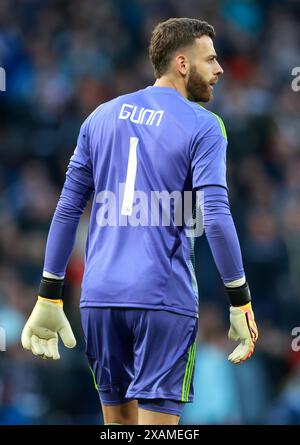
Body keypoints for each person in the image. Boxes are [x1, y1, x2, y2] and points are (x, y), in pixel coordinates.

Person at [21, 18, 258, 425]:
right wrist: (240, 300)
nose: (220, 70)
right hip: (163, 301)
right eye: (212, 60)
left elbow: (66, 209)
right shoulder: (204, 126)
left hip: (99, 301)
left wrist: (49, 293)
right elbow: (216, 217)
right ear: (182, 64)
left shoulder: (99, 117)